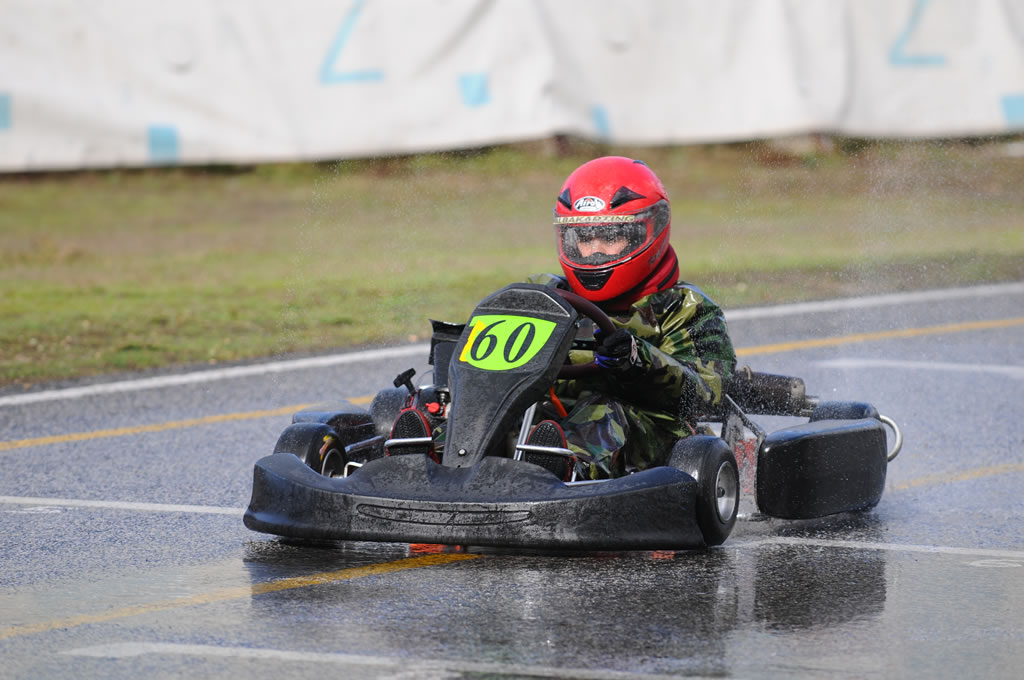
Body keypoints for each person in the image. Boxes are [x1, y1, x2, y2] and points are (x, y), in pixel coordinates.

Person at [521, 155, 737, 479]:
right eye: (583, 238)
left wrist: (640, 359)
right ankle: (429, 451)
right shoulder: (545, 294)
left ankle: (560, 471)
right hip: (551, 415)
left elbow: (709, 393)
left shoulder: (685, 308)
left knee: (603, 410)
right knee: (449, 401)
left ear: (647, 232)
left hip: (652, 436)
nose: (593, 250)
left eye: (609, 237)